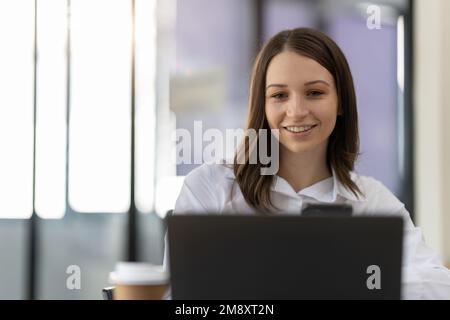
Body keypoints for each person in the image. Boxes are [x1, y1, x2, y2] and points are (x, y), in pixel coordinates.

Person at [170, 28, 450, 299]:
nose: (297, 111)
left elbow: (439, 284)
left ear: (340, 102)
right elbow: (178, 295)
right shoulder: (209, 187)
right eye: (279, 95)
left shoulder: (371, 200)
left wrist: (351, 279)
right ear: (262, 105)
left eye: (315, 93)